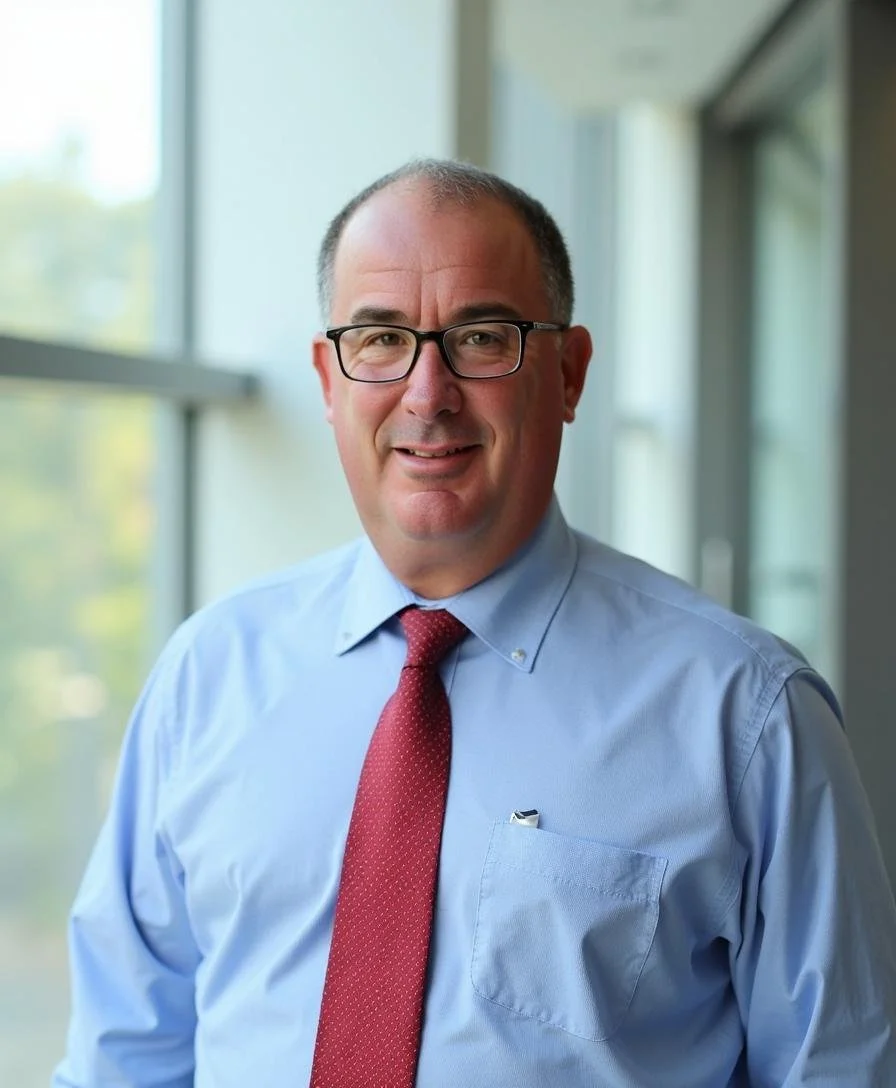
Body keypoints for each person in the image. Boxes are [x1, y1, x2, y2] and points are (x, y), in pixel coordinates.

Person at [54, 159, 896, 1087]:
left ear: (569, 375)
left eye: (483, 337)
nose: (427, 393)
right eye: (380, 339)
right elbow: (123, 1056)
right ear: (330, 378)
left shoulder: (745, 712)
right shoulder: (208, 675)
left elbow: (839, 1069)